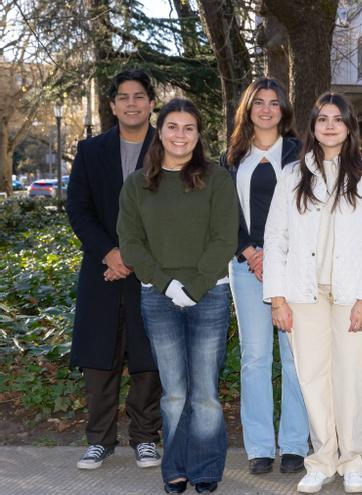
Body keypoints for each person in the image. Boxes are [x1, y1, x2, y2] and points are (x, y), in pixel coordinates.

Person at [262, 92, 362, 494]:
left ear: (350, 126)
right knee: (313, 379)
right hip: (304, 294)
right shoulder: (291, 175)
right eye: (323, 119)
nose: (331, 126)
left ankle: (354, 461)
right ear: (312, 126)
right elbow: (275, 238)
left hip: (352, 292)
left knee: (354, 378)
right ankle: (321, 460)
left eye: (338, 119)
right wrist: (278, 298)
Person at [117, 98, 238, 494]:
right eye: (172, 127)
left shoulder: (217, 178)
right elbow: (131, 242)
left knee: (204, 392)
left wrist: (197, 286)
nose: (180, 135)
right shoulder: (137, 184)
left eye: (188, 128)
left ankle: (205, 469)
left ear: (198, 134)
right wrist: (165, 283)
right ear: (160, 131)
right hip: (157, 296)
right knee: (173, 393)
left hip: (210, 295)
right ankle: (176, 466)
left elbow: (225, 237)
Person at [66, 69, 162, 470]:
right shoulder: (91, 151)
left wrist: (135, 256)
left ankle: (145, 437)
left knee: (149, 355)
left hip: (153, 269)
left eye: (139, 96)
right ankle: (100, 440)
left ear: (151, 103)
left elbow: (178, 212)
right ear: (112, 105)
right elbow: (78, 209)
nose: (132, 103)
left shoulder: (169, 144)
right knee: (99, 356)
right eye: (123, 97)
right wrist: (110, 253)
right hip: (102, 269)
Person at [223, 77, 309, 476]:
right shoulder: (233, 156)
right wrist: (250, 251)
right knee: (255, 358)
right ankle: (259, 446)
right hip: (245, 265)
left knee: (293, 358)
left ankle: (294, 443)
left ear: (283, 110)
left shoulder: (298, 153)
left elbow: (306, 210)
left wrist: (275, 255)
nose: (267, 109)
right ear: (248, 108)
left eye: (274, 103)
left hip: (291, 266)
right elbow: (225, 214)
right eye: (259, 102)